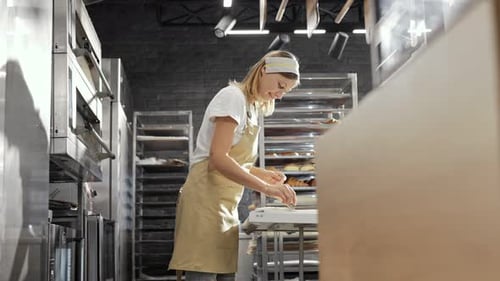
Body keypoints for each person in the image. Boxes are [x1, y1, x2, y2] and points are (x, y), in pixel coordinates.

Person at [169, 50, 300, 281]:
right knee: (203, 275)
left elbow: (234, 160)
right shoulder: (233, 97)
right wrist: (265, 187)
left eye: (285, 91)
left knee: (225, 276)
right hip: (204, 200)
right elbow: (218, 158)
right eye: (280, 85)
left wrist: (262, 174)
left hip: (224, 206)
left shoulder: (251, 108)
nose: (279, 95)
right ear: (263, 70)